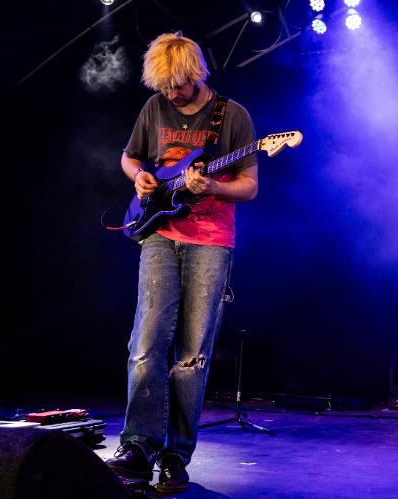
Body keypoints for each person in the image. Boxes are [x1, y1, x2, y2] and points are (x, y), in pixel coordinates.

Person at [106, 32, 258, 493]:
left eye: (178, 85)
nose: (171, 94)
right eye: (164, 87)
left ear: (195, 74)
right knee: (146, 343)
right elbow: (130, 158)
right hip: (158, 234)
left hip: (211, 241)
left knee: (191, 354)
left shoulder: (232, 116)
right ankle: (138, 445)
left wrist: (212, 187)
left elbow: (249, 186)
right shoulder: (154, 109)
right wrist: (141, 178)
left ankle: (175, 455)